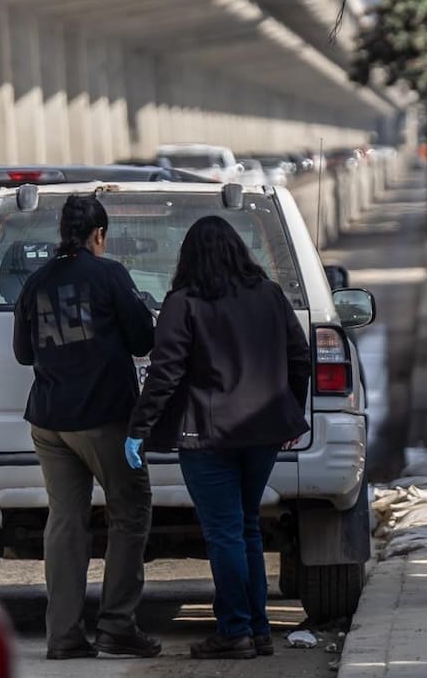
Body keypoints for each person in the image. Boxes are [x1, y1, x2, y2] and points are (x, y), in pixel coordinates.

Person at [126, 216, 310, 661]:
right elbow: (300, 357)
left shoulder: (183, 302)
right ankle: (257, 629)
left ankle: (235, 631)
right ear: (238, 251)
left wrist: (138, 429)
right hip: (264, 433)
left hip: (207, 436)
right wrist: (289, 414)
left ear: (188, 257)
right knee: (246, 527)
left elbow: (165, 371)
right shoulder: (269, 295)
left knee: (225, 532)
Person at [12, 194, 159, 661]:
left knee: (65, 521)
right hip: (103, 418)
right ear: (99, 235)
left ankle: (64, 636)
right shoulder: (110, 274)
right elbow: (143, 339)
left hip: (49, 421)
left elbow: (23, 354)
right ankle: (117, 626)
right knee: (130, 510)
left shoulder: (36, 282)